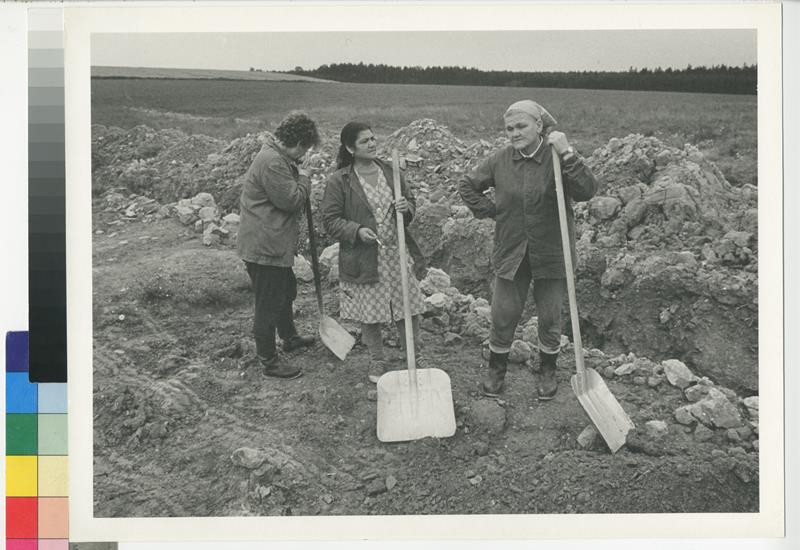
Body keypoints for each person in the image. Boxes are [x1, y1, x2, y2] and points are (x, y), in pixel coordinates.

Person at [458, 100, 599, 399]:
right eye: (509, 128)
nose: (514, 133)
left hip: (552, 250)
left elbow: (587, 191)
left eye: (521, 126)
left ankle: (548, 370)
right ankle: (497, 371)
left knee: (549, 316)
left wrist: (568, 154)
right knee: (502, 314)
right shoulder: (500, 160)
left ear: (539, 126)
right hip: (512, 250)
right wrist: (493, 210)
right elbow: (467, 185)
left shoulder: (556, 158)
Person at [321, 122, 427, 383]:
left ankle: (413, 353)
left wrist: (407, 208)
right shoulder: (340, 181)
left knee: (407, 305)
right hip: (364, 256)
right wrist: (356, 231)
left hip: (396, 252)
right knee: (371, 311)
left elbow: (411, 202)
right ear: (350, 148)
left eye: (373, 138)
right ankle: (377, 359)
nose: (372, 144)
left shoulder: (390, 171)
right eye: (365, 141)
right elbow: (330, 219)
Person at [237, 111, 321, 379]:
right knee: (269, 303)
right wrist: (305, 176)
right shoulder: (272, 162)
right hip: (264, 247)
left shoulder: (277, 157)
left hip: (273, 242)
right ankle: (269, 361)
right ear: (297, 142)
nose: (303, 153)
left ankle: (289, 337)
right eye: (304, 148)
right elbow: (291, 200)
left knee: (285, 292)